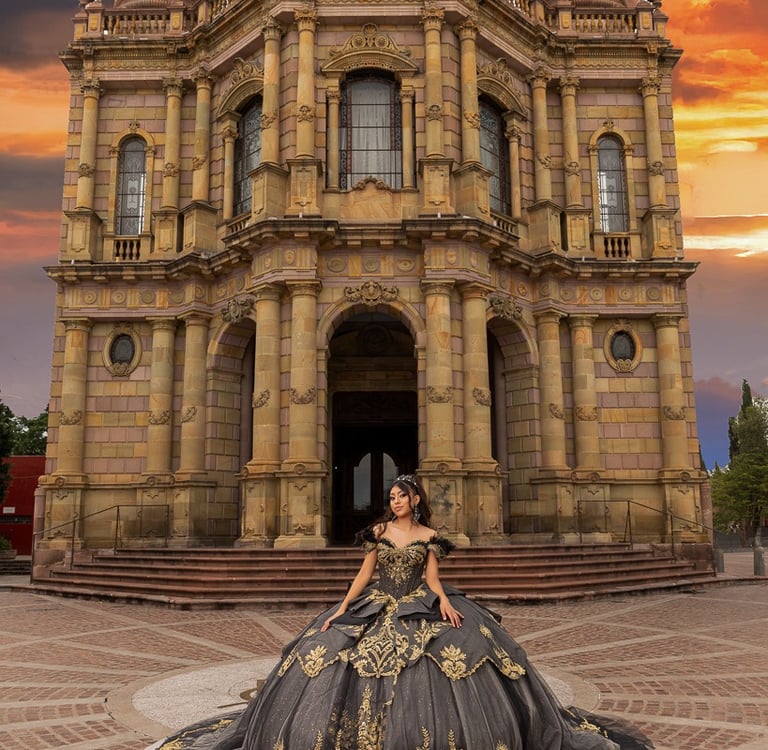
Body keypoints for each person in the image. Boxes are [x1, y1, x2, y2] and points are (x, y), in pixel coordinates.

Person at [156, 474, 653, 749]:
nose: (394, 502)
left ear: (415, 499)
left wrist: (442, 602)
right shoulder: (376, 534)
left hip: (419, 601)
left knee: (463, 652)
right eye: (390, 496)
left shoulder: (429, 537)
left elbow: (433, 576)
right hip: (378, 603)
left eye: (400, 495)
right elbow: (364, 575)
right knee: (328, 654)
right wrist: (340, 610)